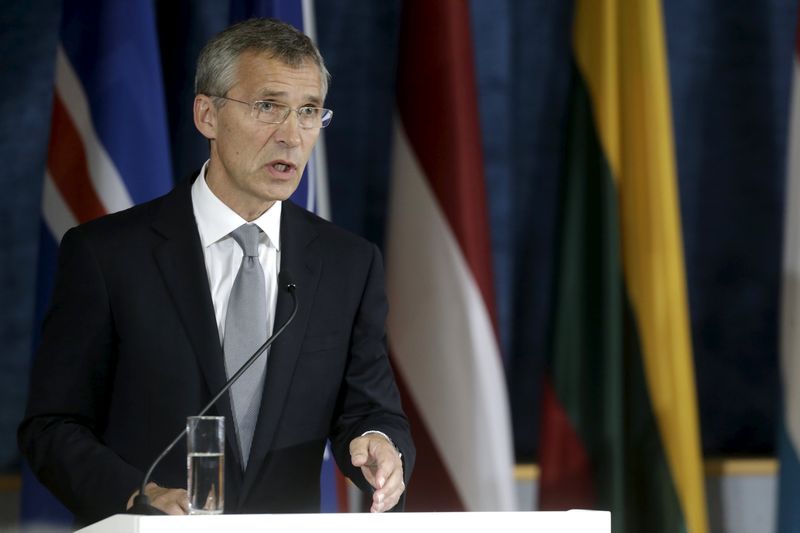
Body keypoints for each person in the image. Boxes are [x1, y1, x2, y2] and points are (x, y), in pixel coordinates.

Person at [18, 17, 414, 526]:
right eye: (268, 107)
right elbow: (51, 426)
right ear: (207, 115)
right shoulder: (107, 254)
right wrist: (137, 494)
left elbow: (369, 409)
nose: (291, 136)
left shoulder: (347, 263)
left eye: (309, 111)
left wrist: (379, 443)